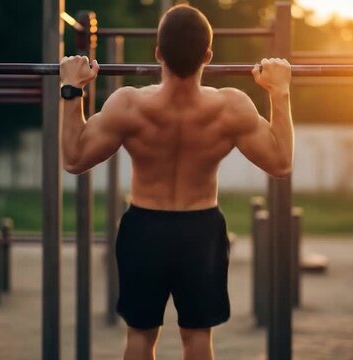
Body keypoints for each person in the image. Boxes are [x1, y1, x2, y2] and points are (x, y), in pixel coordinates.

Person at [59, 4, 293, 360]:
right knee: (198, 338)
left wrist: (71, 89)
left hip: (144, 228)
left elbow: (73, 159)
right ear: (208, 55)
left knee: (139, 337)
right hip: (201, 231)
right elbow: (281, 163)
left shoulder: (129, 104)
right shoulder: (232, 106)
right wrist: (280, 92)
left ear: (158, 53)